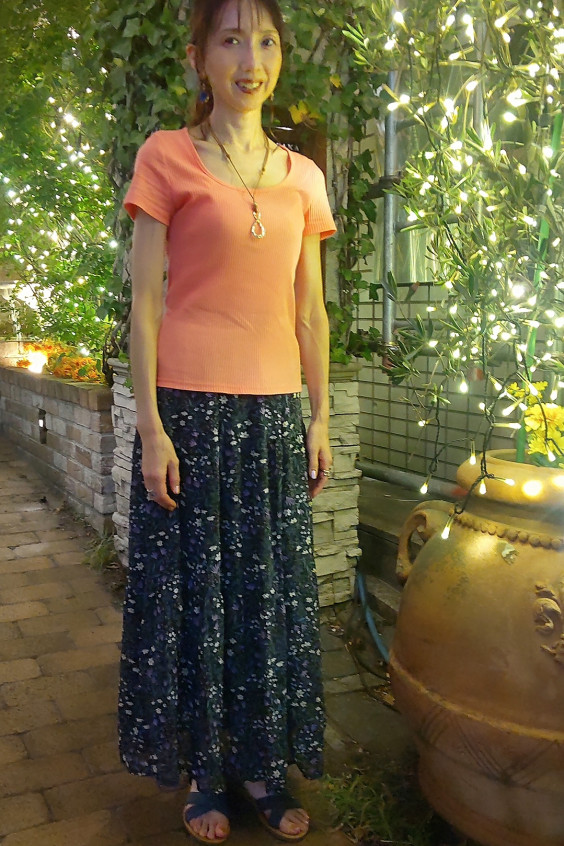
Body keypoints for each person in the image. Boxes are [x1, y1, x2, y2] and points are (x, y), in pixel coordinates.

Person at [118, 0, 336, 841]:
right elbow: (145, 306)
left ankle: (261, 766)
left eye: (266, 41)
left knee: (264, 597)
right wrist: (151, 429)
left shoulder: (302, 176)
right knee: (195, 601)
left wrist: (320, 415)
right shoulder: (166, 157)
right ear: (199, 57)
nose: (252, 59)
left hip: (276, 415)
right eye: (232, 39)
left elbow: (310, 311)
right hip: (190, 413)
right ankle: (205, 773)